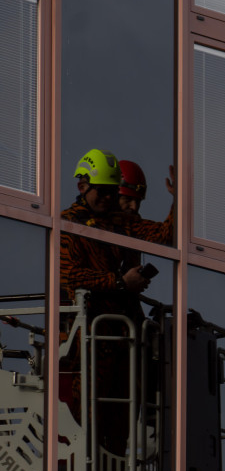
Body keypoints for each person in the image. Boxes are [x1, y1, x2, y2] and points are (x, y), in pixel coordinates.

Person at [59, 148, 175, 450]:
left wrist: (180, 201)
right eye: (103, 192)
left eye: (113, 192)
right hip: (86, 340)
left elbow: (166, 237)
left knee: (119, 427)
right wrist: (121, 283)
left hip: (120, 338)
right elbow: (71, 276)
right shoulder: (67, 225)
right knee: (84, 423)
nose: (109, 199)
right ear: (83, 186)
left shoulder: (121, 221)